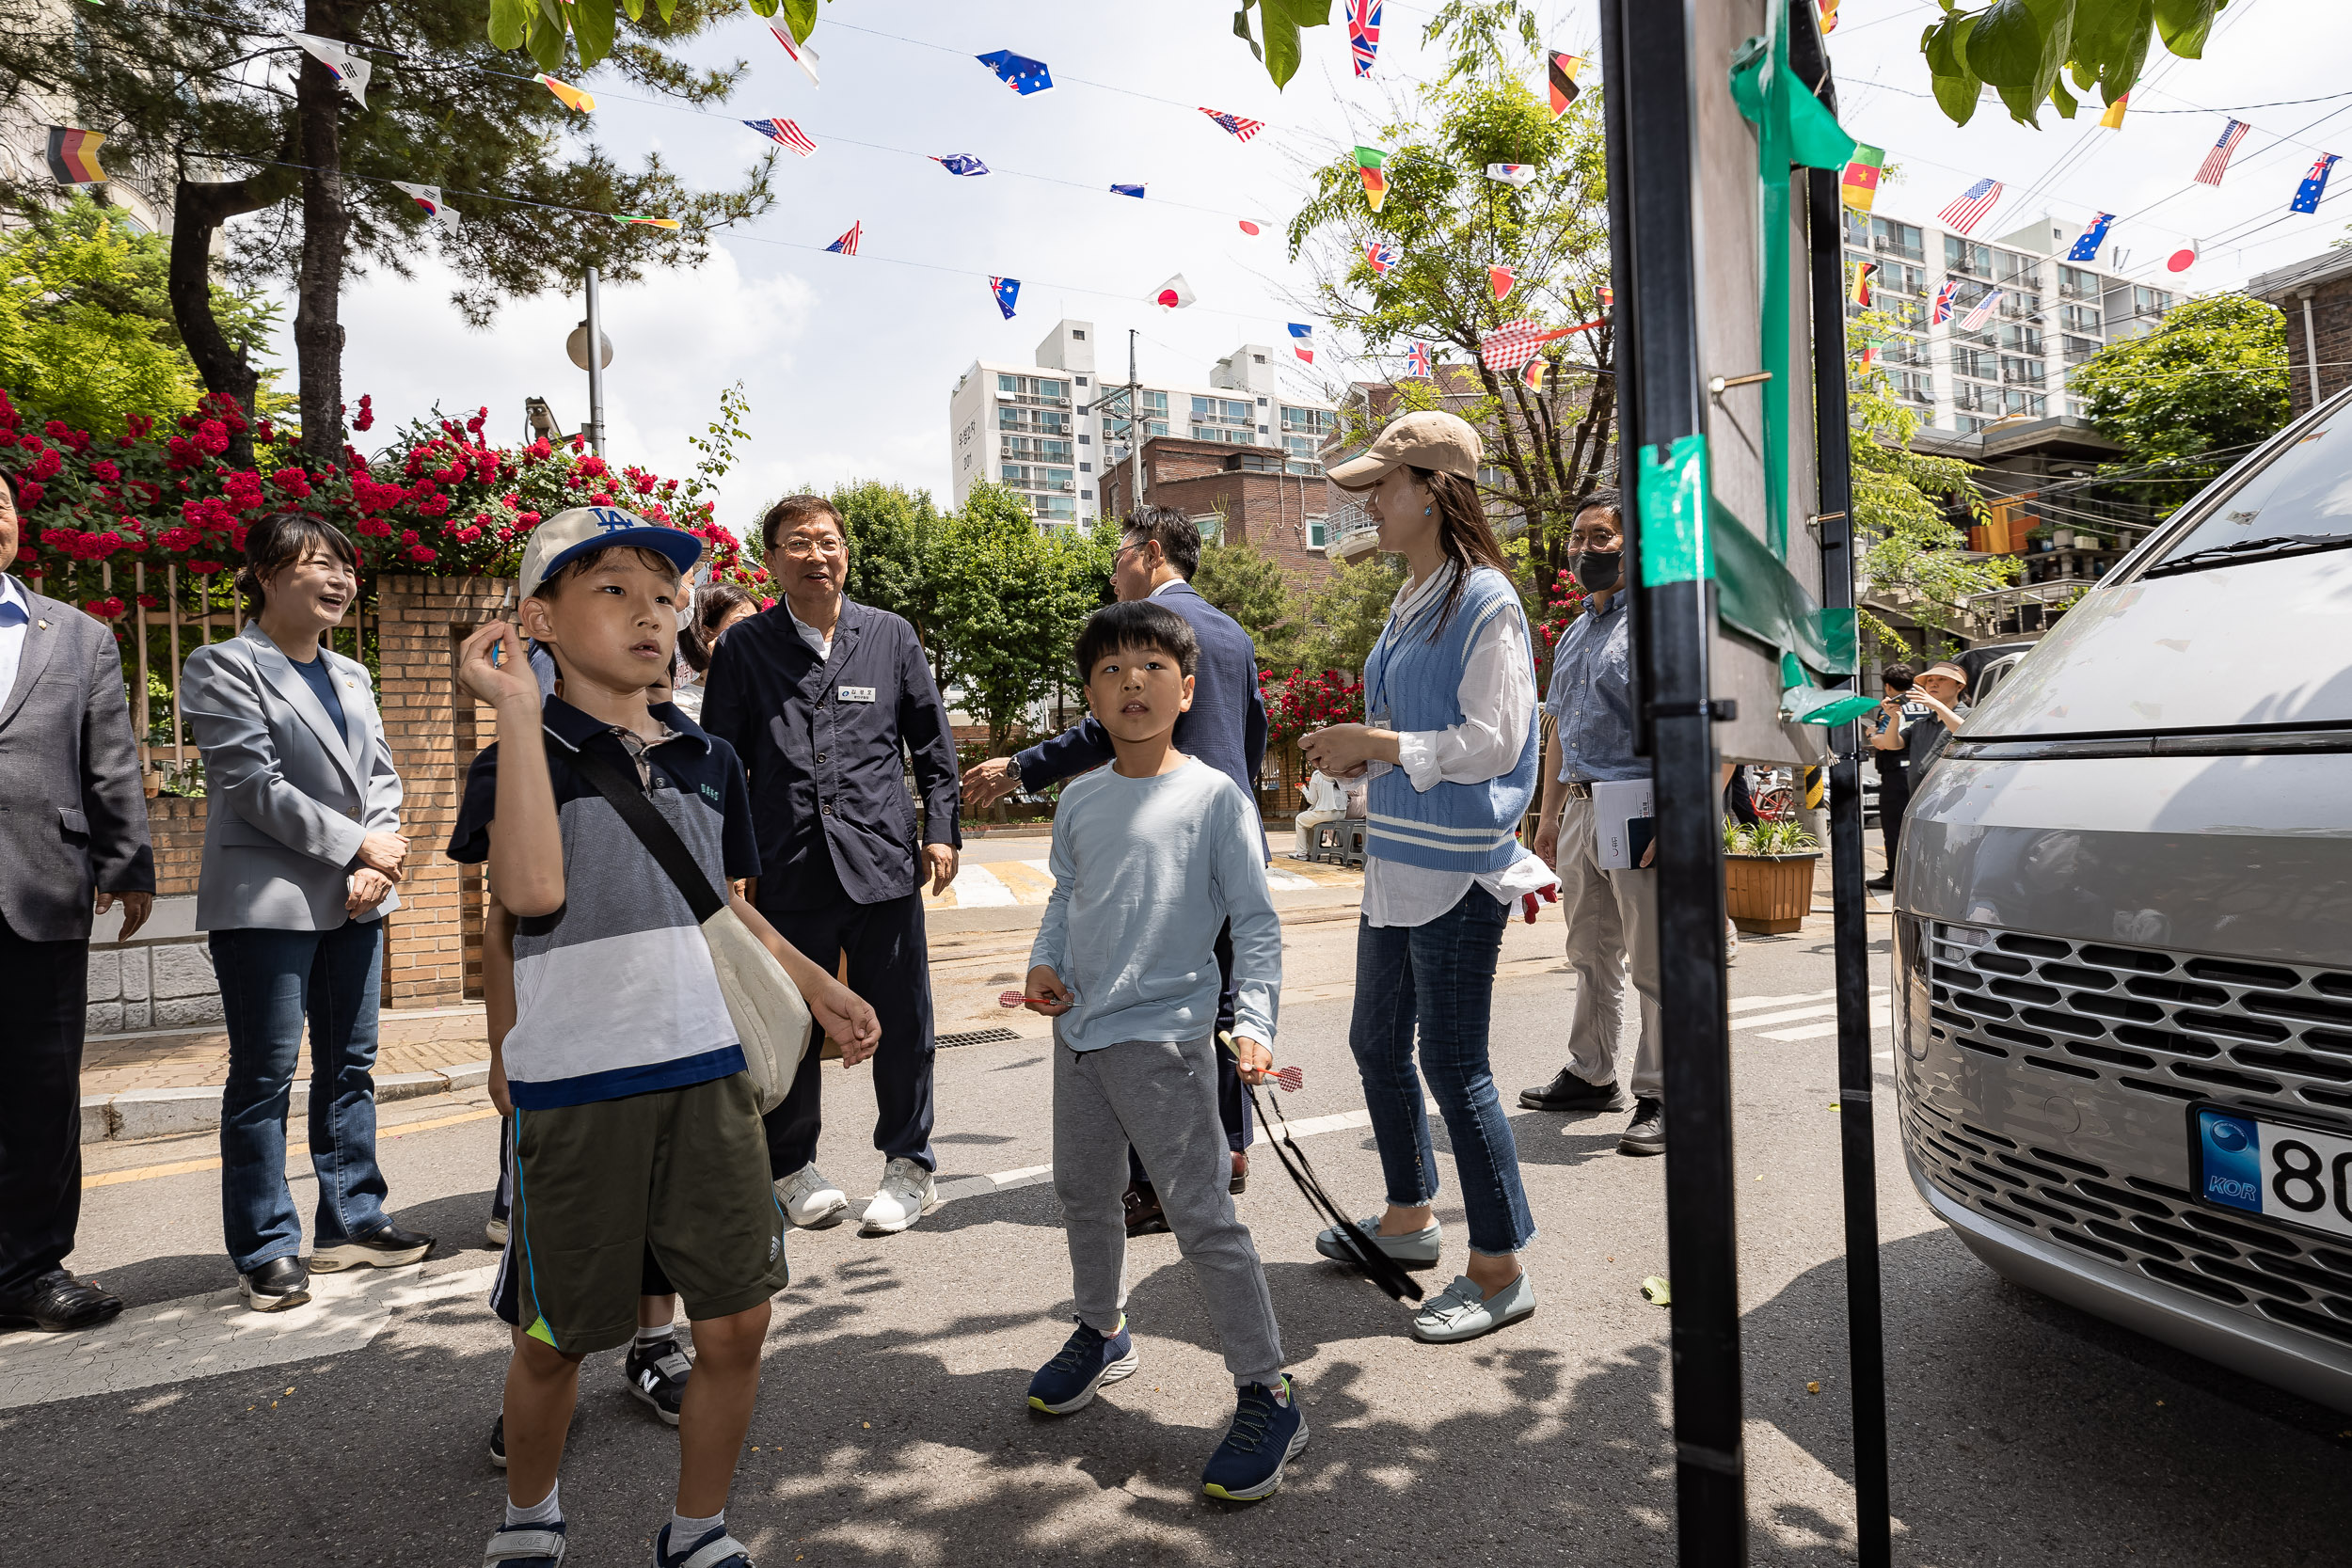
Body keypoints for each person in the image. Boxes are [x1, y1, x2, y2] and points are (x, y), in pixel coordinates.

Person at [449, 506, 881, 1568]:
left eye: (663, 593)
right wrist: (514, 704)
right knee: (556, 1335)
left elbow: (725, 907)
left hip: (706, 1067)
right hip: (577, 1082)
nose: (651, 611)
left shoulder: (707, 756)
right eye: (612, 589)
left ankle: (697, 1528)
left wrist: (818, 982)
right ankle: (531, 1513)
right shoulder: (520, 751)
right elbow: (523, 902)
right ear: (536, 618)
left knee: (735, 1323)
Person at [1019, 599, 1304, 1501]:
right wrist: (1044, 964)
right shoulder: (1080, 797)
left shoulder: (1217, 796)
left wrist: (1253, 1021)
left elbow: (1256, 927)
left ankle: (1269, 1388)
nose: (1129, 681)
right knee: (1084, 1194)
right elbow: (1066, 899)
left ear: (1186, 688)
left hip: (1170, 1045)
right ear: (1091, 698)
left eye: (1149, 666)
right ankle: (1103, 1330)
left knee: (1202, 1221)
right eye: (1109, 670)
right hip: (1080, 1039)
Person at [1298, 410, 1552, 1345]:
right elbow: (1423, 739)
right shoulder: (1411, 596)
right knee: (1375, 1041)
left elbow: (1496, 743)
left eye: (1381, 483)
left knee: (1453, 1063)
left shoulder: (1485, 598)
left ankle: (1498, 1266)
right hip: (1400, 859)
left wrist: (1381, 743)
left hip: (1457, 869)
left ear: (1432, 489)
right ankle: (1409, 1216)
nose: (1368, 499)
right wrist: (1359, 757)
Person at [961, 505, 1271, 1236]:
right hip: (1229, 835)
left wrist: (1021, 767)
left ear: (1151, 552)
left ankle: (1165, 1183)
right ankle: (1228, 1148)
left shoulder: (1153, 636)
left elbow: (1109, 725)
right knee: (1215, 1004)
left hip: (1165, 848)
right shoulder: (1233, 632)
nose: (1111, 572)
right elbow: (1252, 735)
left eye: (1118, 557)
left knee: (1148, 1012)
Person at [178, 514, 429, 1312]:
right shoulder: (222, 666)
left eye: (346, 566)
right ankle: (264, 1246)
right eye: (318, 562)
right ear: (263, 572)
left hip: (358, 896)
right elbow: (252, 786)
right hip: (267, 903)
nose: (340, 578)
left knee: (351, 1065)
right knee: (263, 1075)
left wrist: (377, 860)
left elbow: (381, 776)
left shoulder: (353, 674)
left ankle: (352, 1218)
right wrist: (357, 847)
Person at [702, 495, 962, 1237]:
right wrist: (729, 858)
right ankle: (793, 1167)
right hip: (785, 869)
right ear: (772, 559)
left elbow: (933, 750)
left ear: (847, 552)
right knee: (790, 1021)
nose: (815, 554)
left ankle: (910, 1166)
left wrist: (940, 832)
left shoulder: (891, 636)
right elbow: (720, 764)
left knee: (904, 1020)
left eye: (828, 541)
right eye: (796, 543)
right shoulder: (746, 648)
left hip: (882, 863)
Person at [0, 466, 153, 1334]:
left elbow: (111, 759)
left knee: (41, 1087)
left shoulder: (78, 636)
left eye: (3, 502)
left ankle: (30, 1267)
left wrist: (126, 862)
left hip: (39, 886)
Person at [1518, 491, 1675, 1158]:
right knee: (1588, 950)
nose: (1585, 549)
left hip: (1638, 802)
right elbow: (1558, 729)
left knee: (1653, 960)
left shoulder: (1661, 625)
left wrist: (1677, 809)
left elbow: (1684, 727)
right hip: (1581, 807)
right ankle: (1591, 1072)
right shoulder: (1576, 630)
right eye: (1579, 537)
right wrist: (1548, 815)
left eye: (1601, 537)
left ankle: (1665, 1092)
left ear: (1634, 545)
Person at [668, 581, 758, 721]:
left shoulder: (760, 690)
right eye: (744, 623)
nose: (756, 633)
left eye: (758, 624)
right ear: (705, 632)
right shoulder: (683, 705)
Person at [1863, 663, 1917, 890]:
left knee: (1894, 828)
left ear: (1887, 686)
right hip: (1919, 773)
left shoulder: (1893, 705)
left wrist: (1872, 733)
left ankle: (1894, 876)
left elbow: (1884, 742)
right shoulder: (1923, 704)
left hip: (1896, 775)